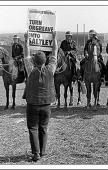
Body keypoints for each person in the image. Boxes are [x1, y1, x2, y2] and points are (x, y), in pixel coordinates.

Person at [24, 31, 57, 162]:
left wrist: (26, 40)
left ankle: (36, 153)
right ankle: (42, 152)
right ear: (45, 61)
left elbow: (26, 54)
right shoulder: (51, 69)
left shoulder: (30, 69)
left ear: (34, 61)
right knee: (43, 127)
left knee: (33, 128)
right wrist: (54, 38)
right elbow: (54, 53)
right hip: (46, 104)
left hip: (32, 104)